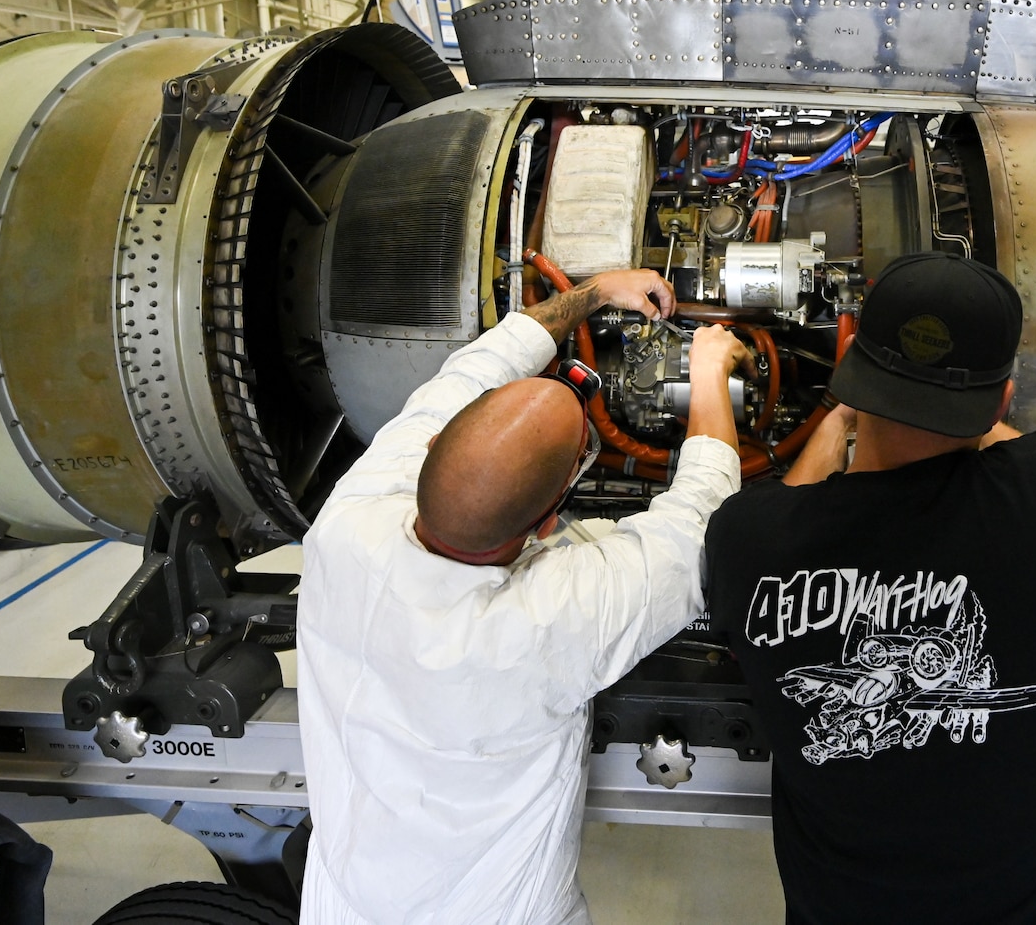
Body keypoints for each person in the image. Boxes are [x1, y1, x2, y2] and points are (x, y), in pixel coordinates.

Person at [298, 267, 749, 924]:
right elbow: (700, 521)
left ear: (428, 447)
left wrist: (594, 292)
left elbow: (472, 370)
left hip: (344, 905)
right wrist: (709, 370)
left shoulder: (348, 520)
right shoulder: (535, 629)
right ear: (546, 524)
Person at [705, 252, 1036, 924]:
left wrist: (835, 425)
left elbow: (780, 521)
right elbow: (1009, 444)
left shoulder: (750, 544)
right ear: (1000, 399)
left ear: (849, 356)